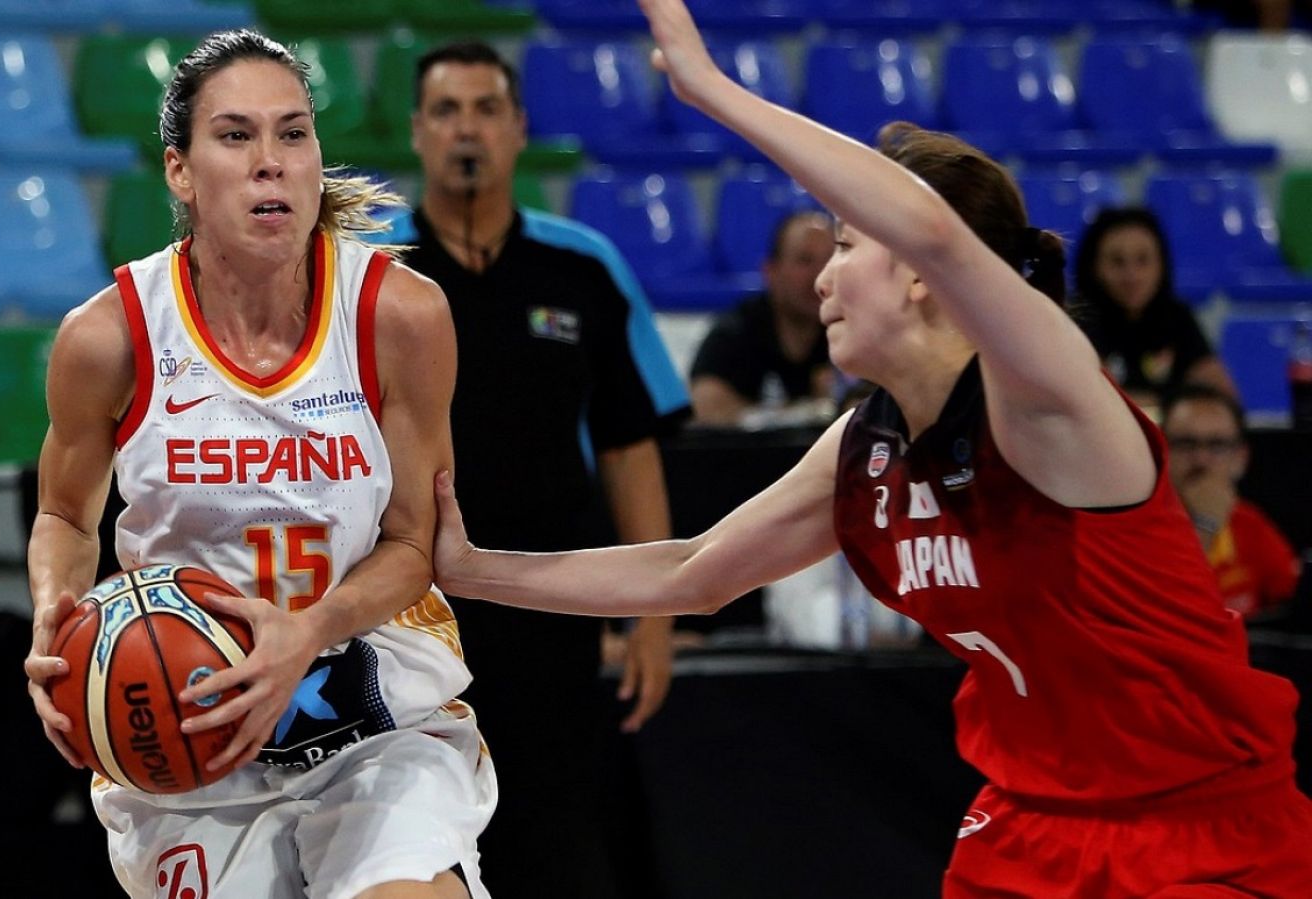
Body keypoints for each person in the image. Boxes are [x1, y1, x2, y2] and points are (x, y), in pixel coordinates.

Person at [430, 0, 1312, 895]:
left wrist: (713, 92)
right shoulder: (869, 442)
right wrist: (468, 568)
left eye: (846, 245)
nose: (821, 278)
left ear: (922, 274)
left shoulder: (1047, 400)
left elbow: (933, 227)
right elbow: (690, 572)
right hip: (1030, 820)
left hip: (1197, 826)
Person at [22, 29, 495, 899]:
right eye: (235, 135)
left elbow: (415, 545)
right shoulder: (109, 335)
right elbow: (63, 515)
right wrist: (56, 616)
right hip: (187, 733)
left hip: (373, 716)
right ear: (180, 171)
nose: (270, 161)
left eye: (293, 133)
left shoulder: (397, 315)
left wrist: (308, 631)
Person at [380, 40, 689, 899]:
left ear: (518, 129)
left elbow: (629, 444)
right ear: (418, 132)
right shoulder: (371, 274)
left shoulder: (583, 268)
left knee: (556, 843)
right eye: (447, 111)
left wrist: (655, 613)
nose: (466, 129)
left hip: (555, 608)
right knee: (422, 845)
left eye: (486, 109)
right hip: (410, 611)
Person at [1073, 206, 1235, 409]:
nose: (1131, 276)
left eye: (1143, 260)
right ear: (1093, 267)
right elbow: (1083, 400)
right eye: (1117, 262)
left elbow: (1220, 397)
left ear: (1161, 265)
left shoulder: (1178, 318)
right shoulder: (1076, 323)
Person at [1163, 384, 1302, 619]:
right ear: (1161, 451)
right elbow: (1166, 608)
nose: (1201, 460)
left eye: (1217, 445)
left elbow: (1294, 601)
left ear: (1241, 457)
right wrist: (1204, 523)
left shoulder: (1250, 524)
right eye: (1186, 443)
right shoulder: (1139, 528)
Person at [689, 210, 837, 427]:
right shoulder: (735, 333)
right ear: (771, 272)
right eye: (805, 261)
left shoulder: (847, 330)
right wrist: (808, 411)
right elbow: (705, 407)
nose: (820, 275)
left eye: (829, 261)